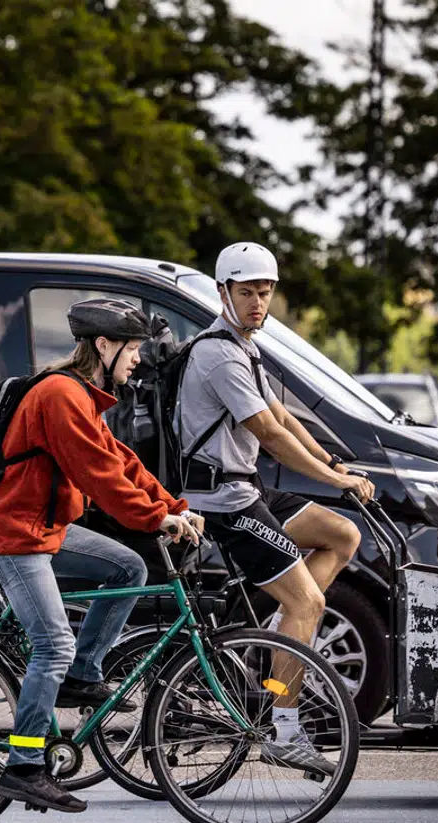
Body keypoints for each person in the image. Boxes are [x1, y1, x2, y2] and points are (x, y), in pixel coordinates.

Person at [0, 298, 203, 814]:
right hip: (13, 534)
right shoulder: (60, 395)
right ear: (104, 345)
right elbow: (97, 474)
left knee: (129, 566)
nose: (138, 359)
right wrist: (153, 519)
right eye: (133, 349)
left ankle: (82, 674)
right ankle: (24, 767)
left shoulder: (80, 395)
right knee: (51, 644)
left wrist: (173, 507)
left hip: (44, 528)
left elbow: (121, 461)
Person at [175, 242, 376, 775]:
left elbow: (284, 417)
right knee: (309, 604)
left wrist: (332, 458)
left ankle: (284, 620)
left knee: (341, 535)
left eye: (265, 293)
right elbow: (265, 433)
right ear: (223, 293)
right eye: (246, 293)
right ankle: (285, 729)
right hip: (223, 501)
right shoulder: (217, 353)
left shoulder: (246, 347)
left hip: (249, 490)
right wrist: (334, 478)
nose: (258, 303)